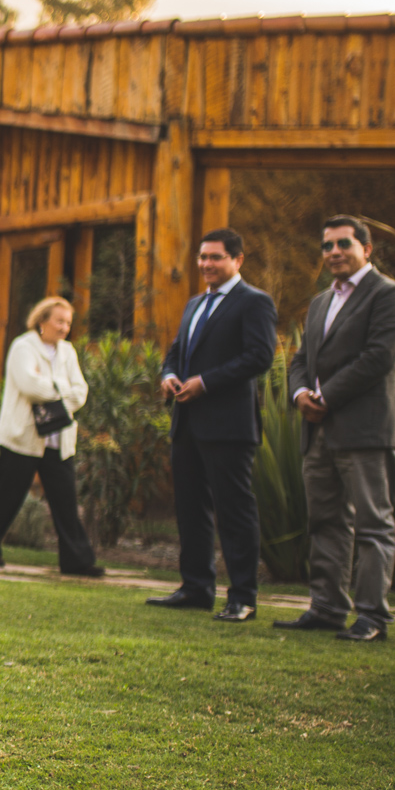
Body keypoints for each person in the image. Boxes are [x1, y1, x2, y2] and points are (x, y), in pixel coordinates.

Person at [277, 216, 395, 641]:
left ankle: (372, 617)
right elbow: (300, 360)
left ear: (366, 249)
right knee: (325, 523)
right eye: (327, 246)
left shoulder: (388, 295)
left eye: (343, 244)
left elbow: (378, 358)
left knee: (373, 526)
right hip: (317, 432)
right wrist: (299, 394)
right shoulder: (320, 303)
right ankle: (328, 608)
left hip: (364, 432)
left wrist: (326, 397)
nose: (333, 252)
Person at [149, 228, 277, 622]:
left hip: (228, 425)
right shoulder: (194, 303)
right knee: (190, 509)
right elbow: (175, 351)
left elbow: (259, 356)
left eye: (216, 257)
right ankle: (196, 588)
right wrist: (168, 374)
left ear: (237, 260)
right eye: (203, 257)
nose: (206, 264)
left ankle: (243, 597)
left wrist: (205, 382)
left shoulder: (254, 302)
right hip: (186, 422)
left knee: (234, 512)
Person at [0, 297, 103, 576]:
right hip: (23, 437)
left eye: (68, 322)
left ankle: (77, 561)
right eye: (59, 321)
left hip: (59, 440)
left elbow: (81, 392)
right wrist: (63, 389)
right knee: (7, 497)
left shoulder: (68, 352)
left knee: (65, 501)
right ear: (42, 320)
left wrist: (57, 390)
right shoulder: (23, 347)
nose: (65, 327)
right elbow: (30, 386)